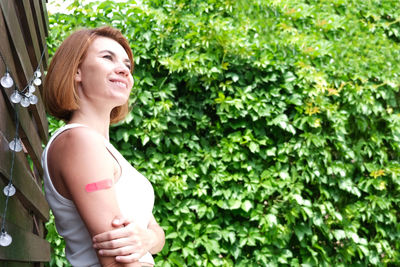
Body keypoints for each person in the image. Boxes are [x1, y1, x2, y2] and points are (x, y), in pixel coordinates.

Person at [42, 26, 165, 267]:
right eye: (107, 57)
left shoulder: (103, 149)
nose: (123, 70)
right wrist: (149, 239)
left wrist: (149, 238)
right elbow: (116, 260)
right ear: (76, 71)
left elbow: (156, 232)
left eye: (127, 66)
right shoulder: (79, 141)